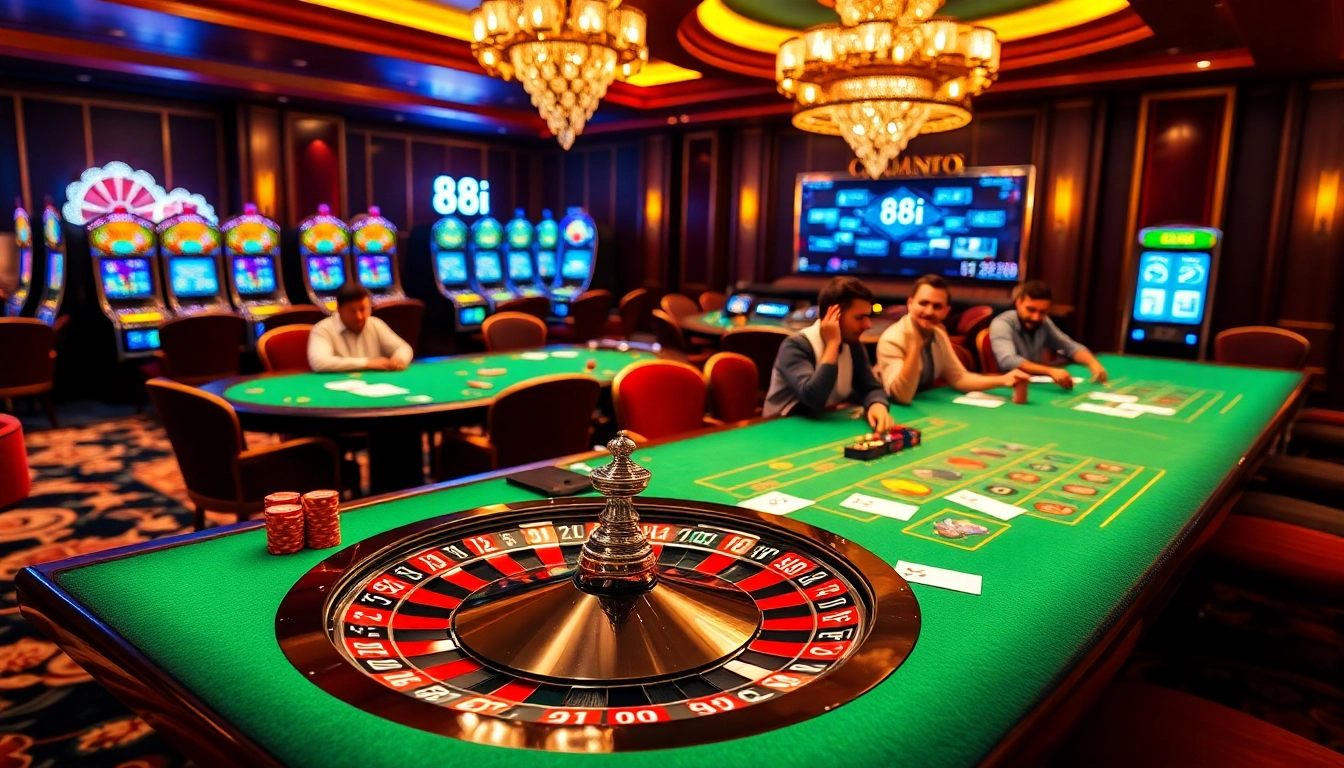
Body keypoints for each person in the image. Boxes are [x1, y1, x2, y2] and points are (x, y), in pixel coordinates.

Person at [763, 277, 893, 434]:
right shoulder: (795, 346)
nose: (868, 325)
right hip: (781, 430)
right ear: (834, 316)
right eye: (860, 318)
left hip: (820, 427)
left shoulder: (853, 345)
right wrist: (832, 344)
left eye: (868, 316)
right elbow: (814, 399)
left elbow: (870, 388)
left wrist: (876, 405)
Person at [876, 274, 1028, 405]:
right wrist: (915, 346)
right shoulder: (892, 340)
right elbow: (901, 396)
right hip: (893, 411)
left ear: (946, 311)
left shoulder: (937, 334)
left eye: (937, 306)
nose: (929, 311)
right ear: (910, 304)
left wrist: (1004, 379)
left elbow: (959, 378)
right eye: (923, 303)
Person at [988, 280, 1108, 389]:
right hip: (1006, 387)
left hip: (1033, 384)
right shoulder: (1002, 323)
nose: (1036, 317)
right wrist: (1050, 371)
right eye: (1031, 310)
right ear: (1018, 303)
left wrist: (1092, 362)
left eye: (1043, 312)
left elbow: (1069, 347)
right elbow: (1008, 360)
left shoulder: (1043, 322)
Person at [307, 283, 413, 373]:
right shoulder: (322, 329)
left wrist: (398, 359)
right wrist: (367, 363)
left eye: (363, 309)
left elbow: (404, 348)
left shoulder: (375, 324)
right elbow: (319, 362)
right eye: (352, 311)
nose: (359, 316)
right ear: (338, 309)